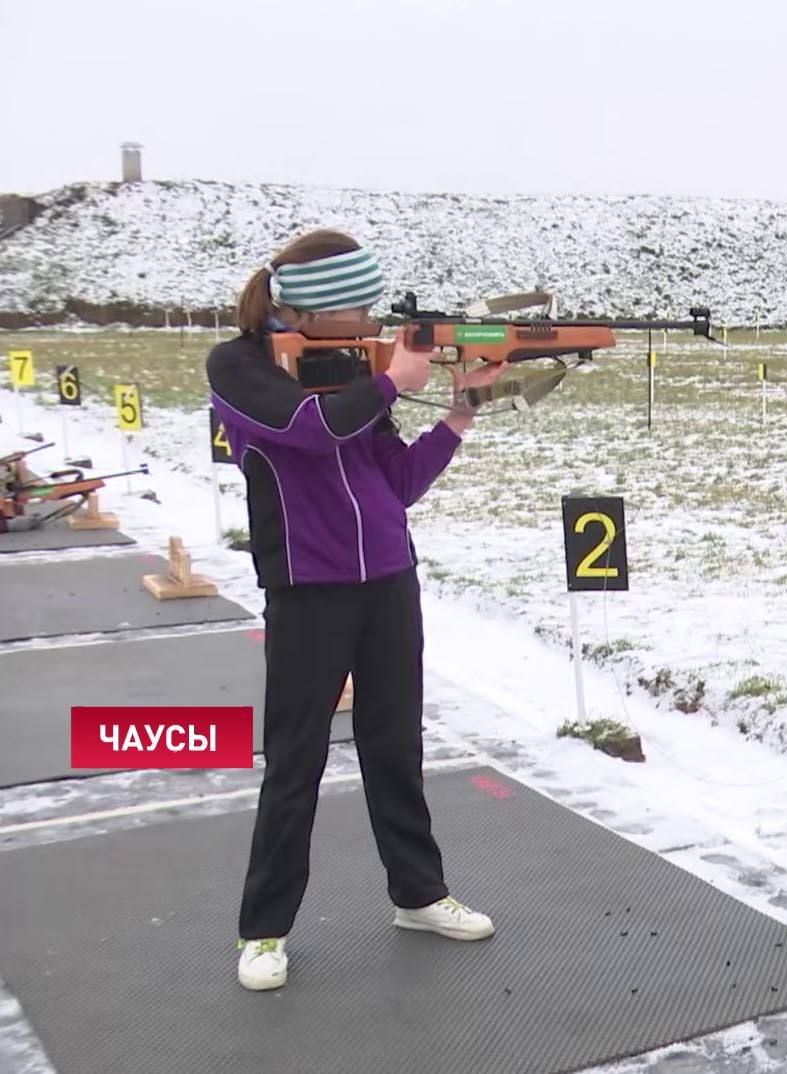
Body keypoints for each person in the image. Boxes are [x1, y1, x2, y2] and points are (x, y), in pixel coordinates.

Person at [207, 230, 504, 992]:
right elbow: (307, 430)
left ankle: (420, 894)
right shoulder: (239, 367)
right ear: (314, 306)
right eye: (359, 306)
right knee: (296, 756)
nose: (370, 320)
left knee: (395, 742)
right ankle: (264, 929)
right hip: (307, 585)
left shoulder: (351, 372)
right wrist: (391, 382)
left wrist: (459, 414)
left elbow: (395, 483)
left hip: (389, 580)